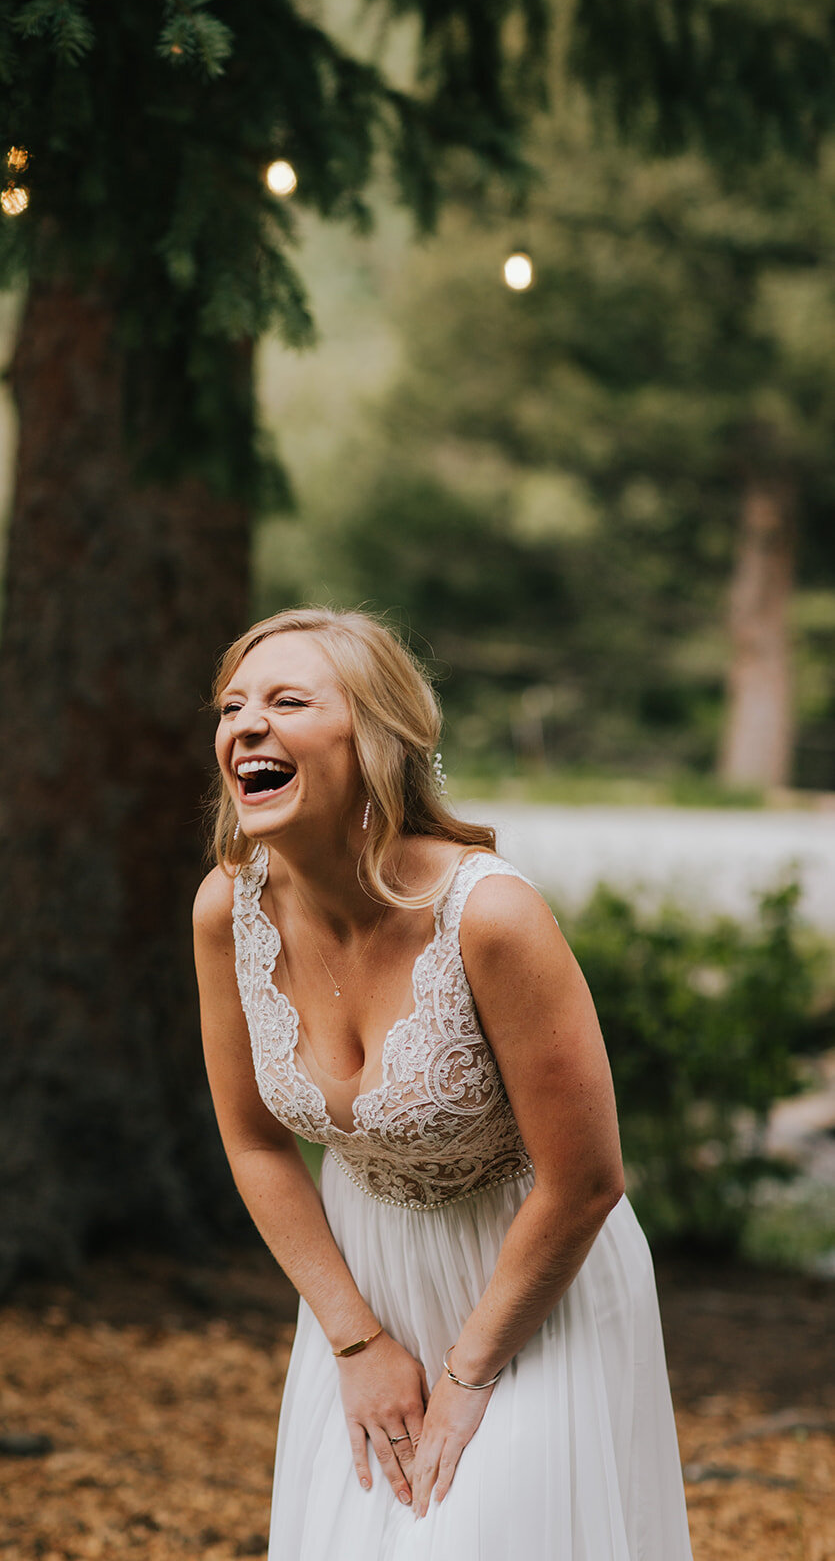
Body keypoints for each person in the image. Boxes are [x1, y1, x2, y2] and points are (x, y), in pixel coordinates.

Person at [192, 606, 693, 1560]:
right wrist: (354, 1343)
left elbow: (585, 1181)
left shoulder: (490, 917)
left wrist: (468, 1377)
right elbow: (254, 1141)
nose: (245, 725)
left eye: (286, 700)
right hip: (360, 1288)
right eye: (230, 708)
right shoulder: (228, 909)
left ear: (375, 740)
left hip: (535, 1286)